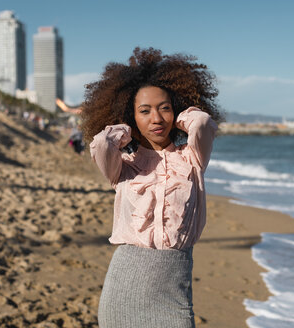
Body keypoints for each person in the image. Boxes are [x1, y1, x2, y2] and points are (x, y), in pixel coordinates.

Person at [81, 47, 223, 328]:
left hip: (174, 284)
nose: (156, 118)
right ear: (131, 116)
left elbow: (204, 123)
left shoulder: (192, 158)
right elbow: (100, 144)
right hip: (125, 283)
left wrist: (183, 115)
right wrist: (126, 129)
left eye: (164, 108)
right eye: (144, 111)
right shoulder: (122, 166)